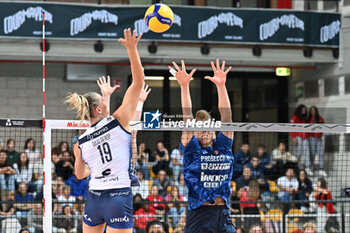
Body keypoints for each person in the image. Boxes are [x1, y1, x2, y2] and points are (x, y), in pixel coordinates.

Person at [67, 28, 143, 233]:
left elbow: (80, 174)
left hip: (95, 199)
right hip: (118, 196)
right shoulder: (118, 121)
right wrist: (132, 49)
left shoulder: (80, 143)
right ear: (99, 109)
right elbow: (138, 83)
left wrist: (98, 167)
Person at [173, 59, 235, 233]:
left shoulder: (222, 146)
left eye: (208, 128)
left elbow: (227, 117)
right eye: (200, 129)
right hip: (199, 214)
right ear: (195, 132)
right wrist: (184, 87)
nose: (205, 132)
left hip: (223, 213)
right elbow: (187, 117)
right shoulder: (192, 149)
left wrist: (221, 86)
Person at [290, 105, 311, 175]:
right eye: (303, 110)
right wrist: (293, 137)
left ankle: (307, 168)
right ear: (299, 110)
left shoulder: (305, 118)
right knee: (297, 153)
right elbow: (291, 128)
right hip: (298, 137)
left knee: (306, 152)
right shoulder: (294, 117)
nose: (304, 111)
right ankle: (294, 167)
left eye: (305, 110)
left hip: (305, 138)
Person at [308, 106, 326, 177]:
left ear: (316, 111)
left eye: (314, 110)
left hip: (318, 138)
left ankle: (321, 169)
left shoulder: (320, 119)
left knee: (320, 153)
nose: (313, 111)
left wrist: (320, 134)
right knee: (312, 153)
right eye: (311, 110)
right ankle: (311, 166)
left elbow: (324, 127)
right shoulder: (308, 119)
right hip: (311, 138)